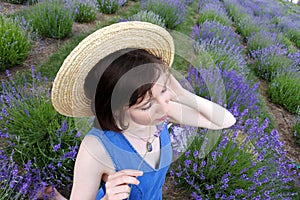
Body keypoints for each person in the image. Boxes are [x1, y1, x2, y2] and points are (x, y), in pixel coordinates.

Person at [50, 21, 236, 200]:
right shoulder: (96, 149)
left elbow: (225, 120)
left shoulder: (163, 113)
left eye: (163, 90)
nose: (162, 106)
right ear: (117, 110)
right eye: (146, 105)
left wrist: (181, 94)